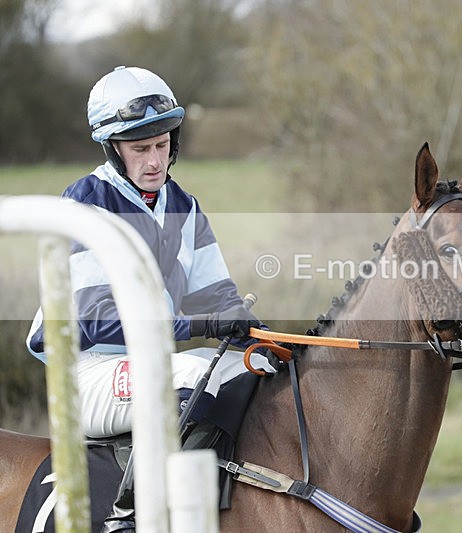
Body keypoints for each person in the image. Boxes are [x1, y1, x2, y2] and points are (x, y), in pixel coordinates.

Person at [25, 66, 272, 532]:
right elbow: (97, 322)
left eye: (162, 145)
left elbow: (213, 296)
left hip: (148, 362)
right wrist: (198, 326)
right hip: (84, 373)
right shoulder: (85, 204)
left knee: (256, 372)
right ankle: (130, 516)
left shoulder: (184, 204)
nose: (155, 160)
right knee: (197, 375)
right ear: (112, 149)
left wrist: (252, 331)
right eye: (140, 149)